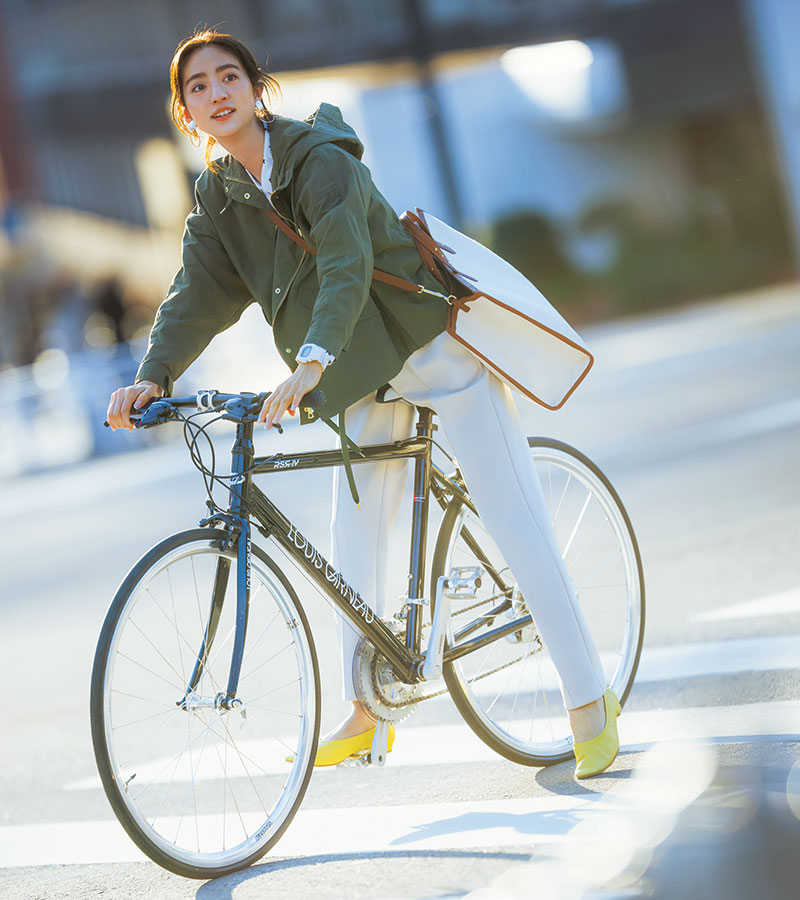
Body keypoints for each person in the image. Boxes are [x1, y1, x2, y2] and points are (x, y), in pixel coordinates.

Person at [106, 29, 620, 779]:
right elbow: (195, 295)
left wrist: (309, 362)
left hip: (429, 347)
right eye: (197, 87)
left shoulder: (319, 158)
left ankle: (589, 701)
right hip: (356, 371)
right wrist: (153, 376)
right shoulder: (219, 196)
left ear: (257, 89)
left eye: (228, 78)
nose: (216, 93)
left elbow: (346, 262)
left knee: (514, 515)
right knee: (357, 538)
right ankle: (367, 713)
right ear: (186, 114)